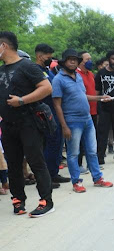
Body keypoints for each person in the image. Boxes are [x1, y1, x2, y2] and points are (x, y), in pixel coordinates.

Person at [0, 31, 55, 217]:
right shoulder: (1, 70)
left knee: (36, 162)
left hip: (28, 122)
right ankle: (18, 200)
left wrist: (22, 100)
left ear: (3, 46)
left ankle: (46, 201)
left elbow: (46, 88)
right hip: (8, 125)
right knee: (14, 165)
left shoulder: (27, 66)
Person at [51, 49, 113, 193]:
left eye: (75, 60)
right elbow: (57, 105)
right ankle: (76, 182)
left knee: (92, 151)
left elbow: (83, 96)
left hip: (87, 119)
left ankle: (98, 178)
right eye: (69, 59)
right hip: (72, 122)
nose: (73, 62)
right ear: (64, 62)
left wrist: (100, 98)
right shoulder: (58, 80)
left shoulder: (78, 76)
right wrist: (64, 126)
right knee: (73, 154)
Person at [34, 43, 69, 188]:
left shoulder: (47, 70)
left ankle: (54, 173)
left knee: (57, 143)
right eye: (48, 56)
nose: (50, 59)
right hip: (44, 111)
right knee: (50, 143)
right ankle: (47, 177)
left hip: (54, 110)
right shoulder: (35, 70)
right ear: (39, 56)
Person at [76, 51, 99, 173]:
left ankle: (91, 165)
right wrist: (99, 98)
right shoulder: (76, 75)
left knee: (91, 141)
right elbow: (82, 95)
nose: (90, 61)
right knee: (79, 141)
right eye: (87, 59)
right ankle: (78, 165)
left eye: (90, 58)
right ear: (80, 61)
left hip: (93, 110)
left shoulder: (90, 74)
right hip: (81, 112)